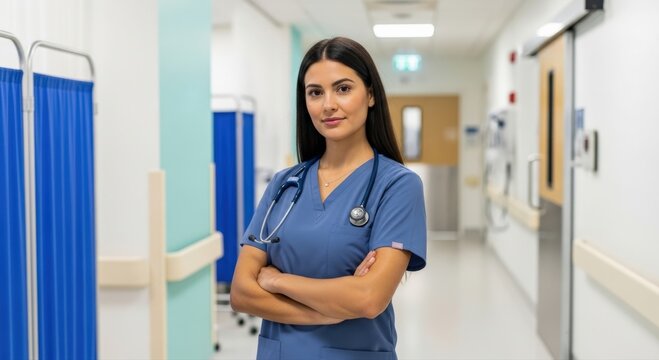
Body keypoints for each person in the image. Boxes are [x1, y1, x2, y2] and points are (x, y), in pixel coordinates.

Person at [230, 36, 427, 360]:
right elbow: (241, 292)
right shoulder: (285, 184)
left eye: (343, 88)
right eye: (315, 93)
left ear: (371, 95)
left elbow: (368, 299)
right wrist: (326, 311)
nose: (328, 105)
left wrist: (277, 280)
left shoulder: (398, 186)